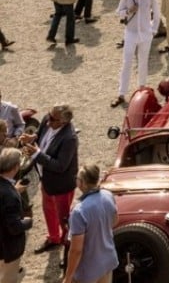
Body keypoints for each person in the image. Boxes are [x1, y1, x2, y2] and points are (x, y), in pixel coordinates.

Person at [21, 104, 78, 254]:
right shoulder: (49, 119)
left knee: (64, 218)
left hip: (61, 185)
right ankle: (54, 238)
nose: (47, 121)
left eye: (52, 119)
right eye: (49, 115)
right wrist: (33, 137)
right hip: (46, 179)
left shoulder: (69, 138)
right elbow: (40, 132)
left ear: (63, 122)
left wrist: (37, 154)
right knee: (48, 210)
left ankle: (67, 245)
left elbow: (60, 166)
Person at [62, 163, 118, 283]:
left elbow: (76, 250)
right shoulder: (108, 195)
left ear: (82, 183)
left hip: (88, 271)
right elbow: (114, 221)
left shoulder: (79, 211)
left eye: (77, 178)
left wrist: (68, 277)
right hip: (107, 261)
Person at [112, 0, 160, 107]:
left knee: (143, 61)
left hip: (145, 34)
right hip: (131, 33)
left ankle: (142, 89)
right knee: (127, 62)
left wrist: (153, 30)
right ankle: (121, 93)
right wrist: (129, 11)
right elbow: (119, 12)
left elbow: (157, 14)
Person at [0, 147, 32, 283]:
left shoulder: (7, 189)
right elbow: (14, 227)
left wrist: (14, 190)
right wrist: (28, 221)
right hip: (7, 249)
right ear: (15, 167)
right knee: (9, 279)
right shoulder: (10, 196)